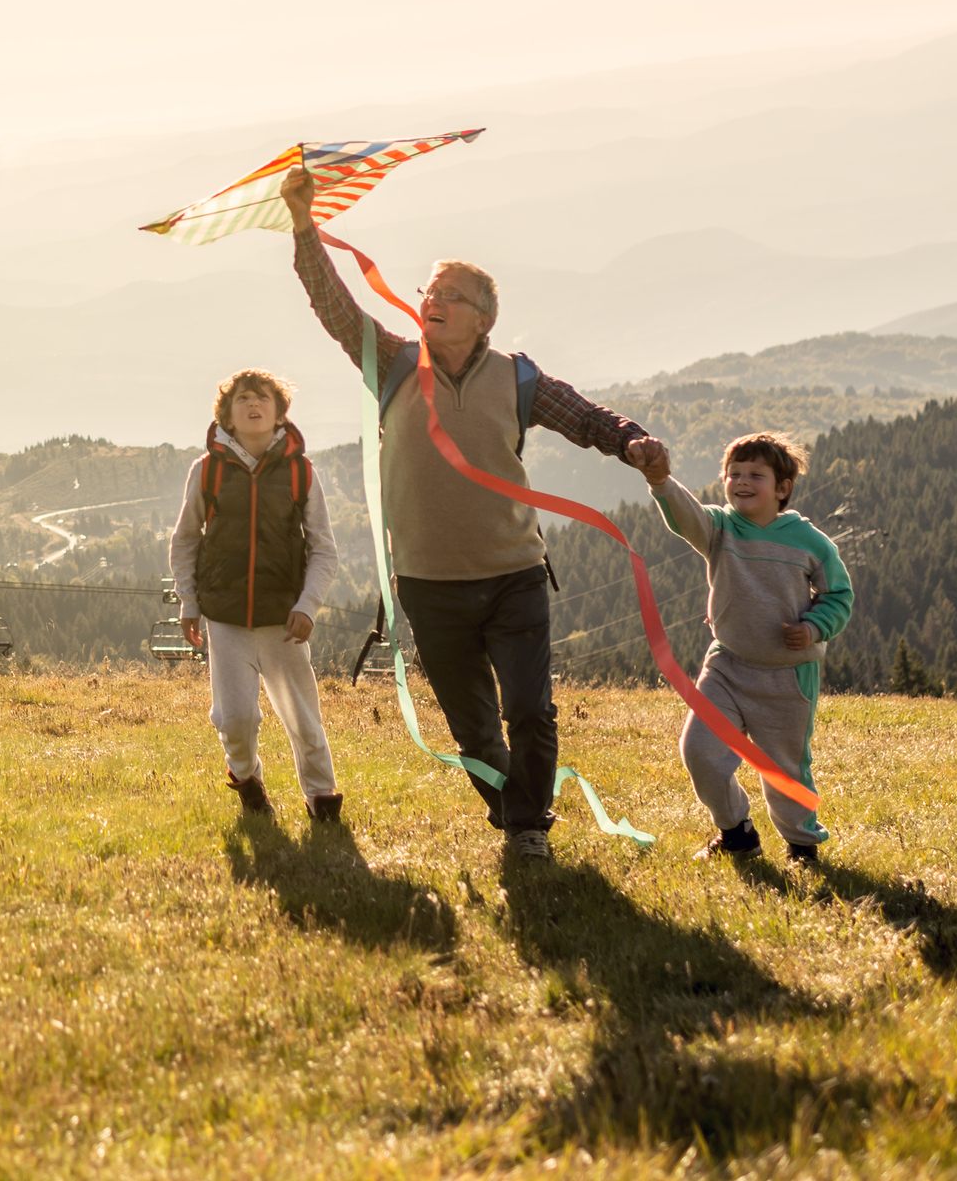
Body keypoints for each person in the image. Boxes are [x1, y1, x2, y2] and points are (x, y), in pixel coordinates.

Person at [279, 164, 667, 859]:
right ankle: (516, 810)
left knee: (530, 710)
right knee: (474, 730)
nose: (435, 299)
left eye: (454, 295)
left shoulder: (516, 377)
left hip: (514, 574)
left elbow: (583, 416)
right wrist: (305, 227)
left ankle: (526, 830)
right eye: (431, 289)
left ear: (485, 318)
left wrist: (632, 440)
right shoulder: (392, 362)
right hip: (429, 586)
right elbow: (333, 305)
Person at [640, 432, 853, 863]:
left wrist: (813, 628)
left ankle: (802, 845)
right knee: (699, 750)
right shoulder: (720, 528)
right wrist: (661, 481)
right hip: (727, 666)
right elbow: (687, 517)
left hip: (787, 676)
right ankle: (736, 833)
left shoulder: (810, 542)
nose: (742, 481)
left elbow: (839, 596)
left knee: (784, 768)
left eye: (756, 474)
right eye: (733, 473)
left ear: (782, 488)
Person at [170, 368, 345, 823]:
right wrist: (189, 602)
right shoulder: (206, 471)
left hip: (284, 621)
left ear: (279, 412)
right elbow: (185, 539)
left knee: (304, 719)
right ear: (226, 416)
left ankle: (322, 798)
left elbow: (324, 549)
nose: (253, 404)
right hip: (225, 619)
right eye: (243, 398)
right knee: (236, 720)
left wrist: (308, 605)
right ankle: (246, 779)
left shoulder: (300, 472)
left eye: (263, 397)